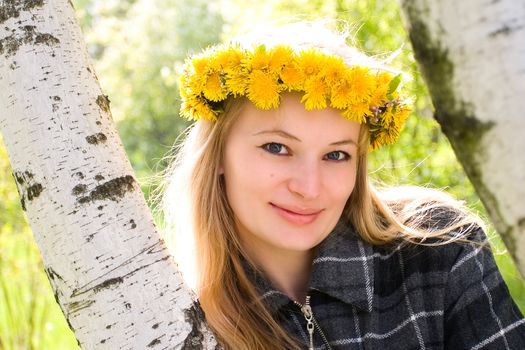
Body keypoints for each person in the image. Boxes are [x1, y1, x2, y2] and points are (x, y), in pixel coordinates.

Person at [160, 22, 525, 349]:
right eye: (277, 148)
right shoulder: (175, 319)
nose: (309, 187)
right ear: (219, 155)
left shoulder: (439, 246)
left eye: (336, 155)